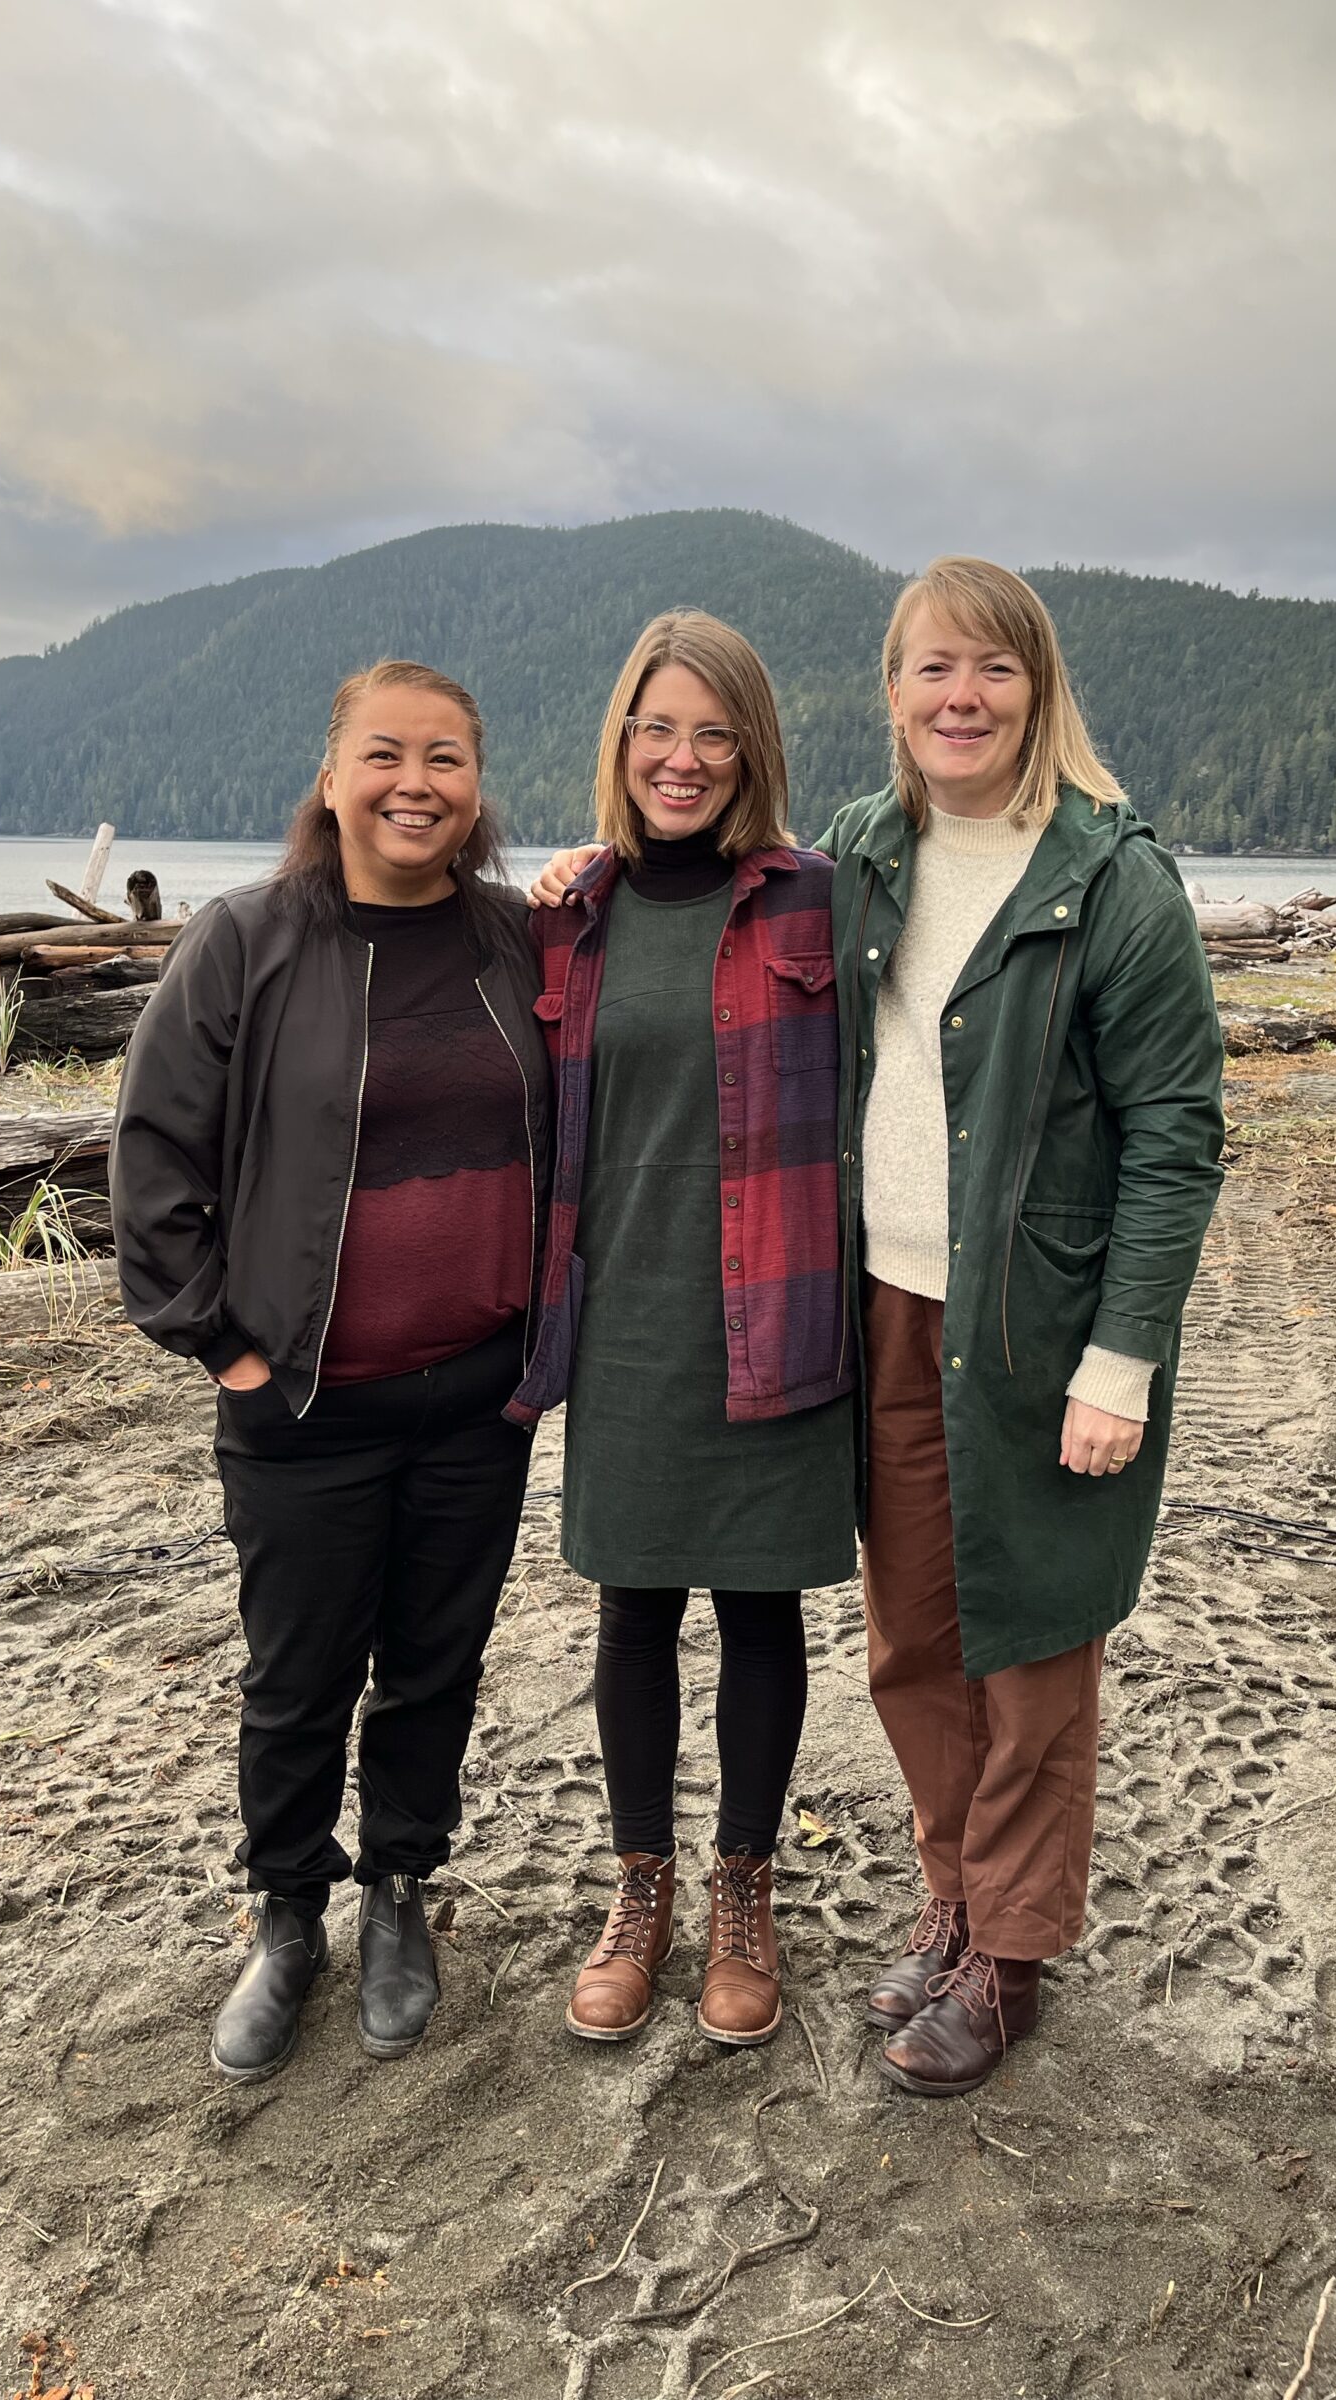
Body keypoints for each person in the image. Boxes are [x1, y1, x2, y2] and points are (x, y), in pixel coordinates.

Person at [110, 660, 552, 2081]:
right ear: (333, 774)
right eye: (385, 754)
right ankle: (288, 1915)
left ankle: (402, 1895)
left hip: (479, 1393)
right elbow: (152, 1159)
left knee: (436, 1668)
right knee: (298, 1680)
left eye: (445, 760)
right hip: (303, 1397)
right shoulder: (247, 942)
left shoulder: (516, 943)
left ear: (479, 789)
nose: (413, 784)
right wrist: (224, 1344)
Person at [819, 556, 1224, 2095]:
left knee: (1035, 1647)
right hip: (886, 1312)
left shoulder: (1113, 881)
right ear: (897, 691)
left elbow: (1177, 1136)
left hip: (1045, 1330)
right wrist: (576, 887)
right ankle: (954, 1898)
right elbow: (718, 908)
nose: (960, 697)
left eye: (990, 669)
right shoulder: (861, 855)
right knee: (914, 1637)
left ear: (1037, 688)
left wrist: (1123, 1357)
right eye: (931, 669)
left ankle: (1015, 1954)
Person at [506, 611, 854, 2049]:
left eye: (716, 733)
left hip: (775, 1302)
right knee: (634, 1605)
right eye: (659, 729)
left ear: (752, 751)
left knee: (760, 1607)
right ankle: (638, 1883)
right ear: (623, 743)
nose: (685, 759)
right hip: (629, 1319)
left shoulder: (818, 903)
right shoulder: (567, 917)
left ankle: (745, 1891)